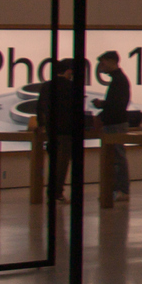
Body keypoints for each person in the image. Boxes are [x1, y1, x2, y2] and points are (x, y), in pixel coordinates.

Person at [41, 58, 83, 201]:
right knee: (62, 163)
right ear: (69, 71)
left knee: (53, 162)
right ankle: (57, 192)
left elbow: (40, 107)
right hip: (66, 131)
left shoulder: (47, 86)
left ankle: (51, 191)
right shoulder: (71, 87)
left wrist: (42, 125)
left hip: (50, 130)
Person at [94, 50, 132, 201]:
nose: (101, 67)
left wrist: (102, 112)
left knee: (118, 158)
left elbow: (117, 104)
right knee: (114, 158)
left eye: (103, 63)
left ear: (111, 61)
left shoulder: (119, 80)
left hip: (115, 123)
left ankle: (122, 189)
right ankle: (115, 188)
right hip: (114, 122)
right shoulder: (118, 80)